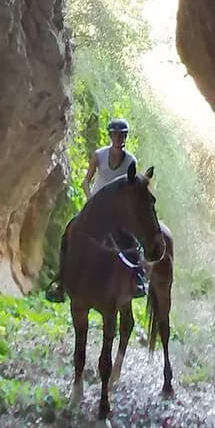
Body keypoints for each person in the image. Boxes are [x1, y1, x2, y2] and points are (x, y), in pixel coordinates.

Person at [45, 118, 148, 303]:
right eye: (115, 135)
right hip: (95, 206)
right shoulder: (99, 155)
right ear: (110, 136)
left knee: (131, 240)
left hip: (116, 212)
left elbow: (130, 188)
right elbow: (86, 181)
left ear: (125, 137)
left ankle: (138, 278)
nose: (119, 138)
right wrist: (90, 198)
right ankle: (61, 280)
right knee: (70, 232)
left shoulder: (130, 161)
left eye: (122, 135)